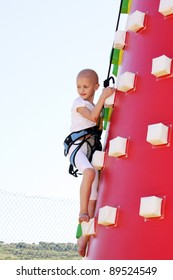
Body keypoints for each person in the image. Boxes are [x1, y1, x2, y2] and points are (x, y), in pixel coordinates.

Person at [64, 69, 115, 257]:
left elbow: (99, 122)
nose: (81, 90)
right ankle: (82, 211)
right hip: (77, 148)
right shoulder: (79, 103)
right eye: (78, 86)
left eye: (85, 86)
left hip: (90, 150)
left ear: (95, 86)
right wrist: (103, 97)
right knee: (89, 173)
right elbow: (93, 117)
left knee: (94, 194)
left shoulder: (94, 103)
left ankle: (83, 236)